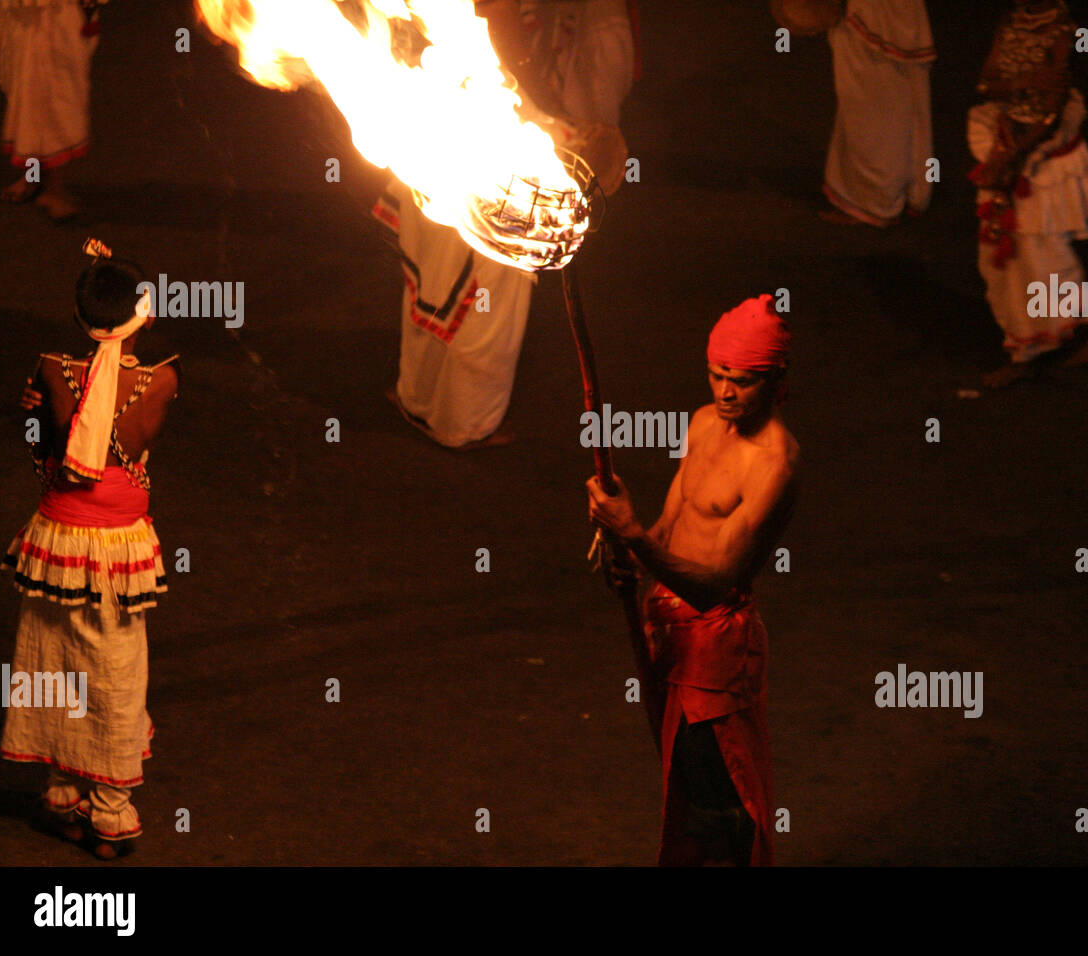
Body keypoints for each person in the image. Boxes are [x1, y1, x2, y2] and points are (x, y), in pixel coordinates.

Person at [586, 295, 798, 866]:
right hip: (670, 626)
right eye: (717, 375)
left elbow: (712, 583)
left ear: (776, 379)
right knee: (684, 781)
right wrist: (629, 548)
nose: (725, 393)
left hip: (716, 647)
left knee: (718, 795)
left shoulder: (773, 463)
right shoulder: (704, 423)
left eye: (743, 380)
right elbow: (671, 522)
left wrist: (633, 536)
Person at [377, 0, 634, 448]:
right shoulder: (482, 38)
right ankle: (465, 424)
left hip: (446, 128)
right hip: (488, 153)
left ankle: (416, 398)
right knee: (488, 304)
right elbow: (502, 36)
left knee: (438, 287)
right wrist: (554, 119)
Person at [0, 248, 178, 859]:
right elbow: (137, 443)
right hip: (120, 545)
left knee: (52, 660)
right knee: (116, 672)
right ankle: (109, 814)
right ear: (144, 317)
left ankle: (62, 796)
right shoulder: (164, 380)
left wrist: (36, 412)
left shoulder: (51, 370)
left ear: (82, 319)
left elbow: (50, 452)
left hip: (57, 541)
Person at [968, 0, 1088, 388]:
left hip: (1040, 154)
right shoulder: (1009, 21)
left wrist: (1013, 157)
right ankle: (1024, 346)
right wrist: (1022, 83)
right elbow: (985, 83)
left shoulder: (1063, 32)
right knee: (1000, 258)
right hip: (1003, 139)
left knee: (1044, 252)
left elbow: (1052, 109)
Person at [0, 0, 106, 220]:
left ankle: (53, 189)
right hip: (16, 18)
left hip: (59, 17)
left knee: (54, 104)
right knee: (26, 104)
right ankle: (33, 176)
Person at [820, 0, 936, 227]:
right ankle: (891, 195)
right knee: (887, 111)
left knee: (875, 115)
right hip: (873, 15)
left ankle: (876, 201)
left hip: (873, 14)